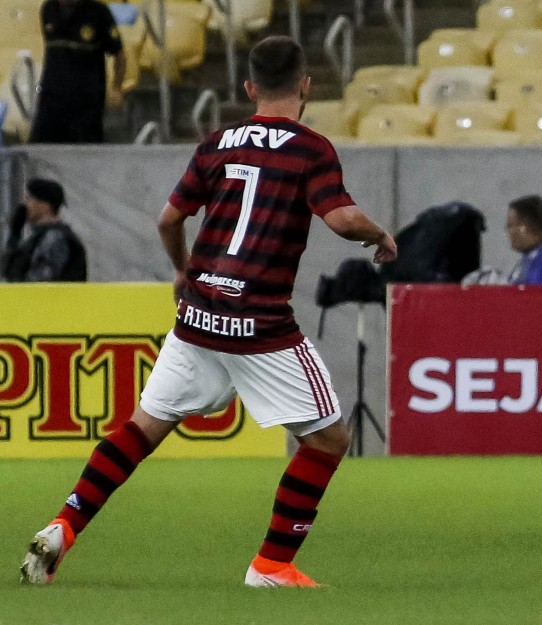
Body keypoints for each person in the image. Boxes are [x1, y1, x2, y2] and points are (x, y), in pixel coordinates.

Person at [21, 36, 398, 588]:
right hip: (260, 323)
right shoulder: (310, 148)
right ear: (306, 86)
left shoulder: (218, 142)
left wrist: (181, 271)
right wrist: (381, 234)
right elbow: (341, 220)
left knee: (143, 428)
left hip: (198, 315)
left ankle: (63, 526)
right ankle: (271, 565)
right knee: (328, 439)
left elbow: (168, 219)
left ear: (248, 88)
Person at [29, 0, 125, 143]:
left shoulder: (98, 11)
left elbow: (119, 55)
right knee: (41, 148)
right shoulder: (49, 9)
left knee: (83, 152)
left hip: (86, 101)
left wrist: (117, 87)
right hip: (52, 98)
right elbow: (52, 53)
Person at [0, 178, 87, 282]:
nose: (25, 204)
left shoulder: (55, 238)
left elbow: (38, 284)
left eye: (29, 199)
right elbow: (9, 272)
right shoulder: (39, 237)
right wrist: (14, 235)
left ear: (44, 205)